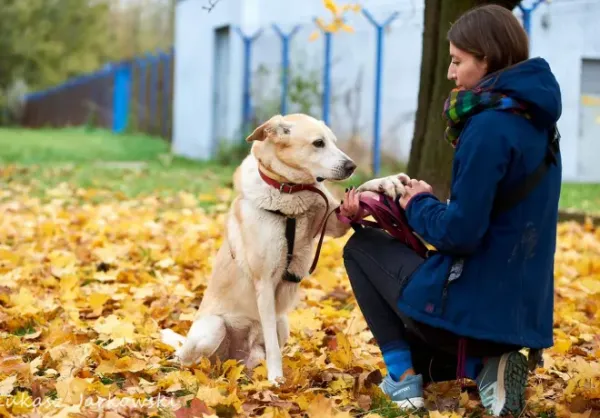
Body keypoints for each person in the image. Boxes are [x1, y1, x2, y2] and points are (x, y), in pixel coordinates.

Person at [338, 4, 562, 417]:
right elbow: (496, 220)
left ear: (487, 58)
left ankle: (406, 382)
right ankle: (482, 368)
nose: (450, 74)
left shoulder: (489, 126)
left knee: (361, 248)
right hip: (518, 316)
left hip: (474, 311)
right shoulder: (538, 125)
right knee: (432, 363)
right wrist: (413, 210)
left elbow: (461, 233)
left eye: (458, 61)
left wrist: (417, 201)